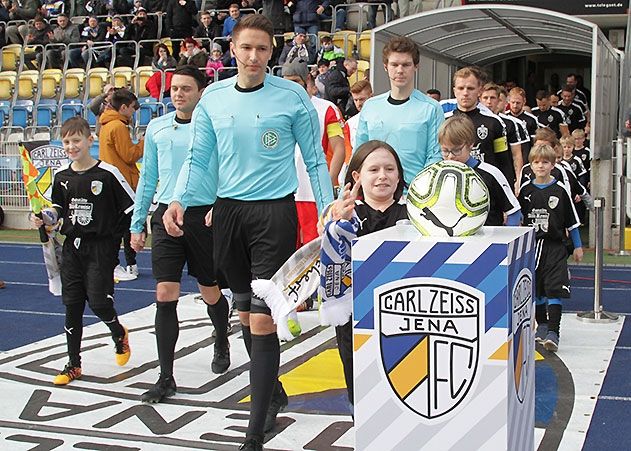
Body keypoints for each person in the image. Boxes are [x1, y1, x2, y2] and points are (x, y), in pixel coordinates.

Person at [162, 15, 334, 451]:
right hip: (227, 215)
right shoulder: (213, 99)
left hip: (275, 215)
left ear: (271, 52)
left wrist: (329, 204)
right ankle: (272, 391)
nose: (254, 56)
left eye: (262, 49)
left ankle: (255, 433)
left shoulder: (292, 96)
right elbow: (199, 159)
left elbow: (315, 159)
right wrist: (180, 199)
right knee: (244, 316)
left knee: (262, 317)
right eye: (246, 48)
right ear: (232, 51)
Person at [131, 66, 231, 403]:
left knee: (210, 291)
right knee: (164, 293)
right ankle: (165, 376)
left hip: (204, 216)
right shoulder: (157, 128)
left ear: (200, 92)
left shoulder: (214, 128)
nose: (178, 94)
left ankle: (221, 335)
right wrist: (136, 223)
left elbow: (227, 170)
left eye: (186, 88)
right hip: (165, 216)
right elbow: (148, 179)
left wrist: (222, 205)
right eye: (174, 88)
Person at [29, 116, 134, 385]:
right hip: (72, 248)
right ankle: (73, 364)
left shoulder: (107, 174)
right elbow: (59, 209)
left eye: (76, 140)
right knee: (72, 304)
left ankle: (118, 332)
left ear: (90, 140)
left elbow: (130, 208)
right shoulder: (62, 176)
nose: (71, 146)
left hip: (101, 248)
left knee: (99, 302)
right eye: (66, 142)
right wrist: (45, 217)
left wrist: (122, 238)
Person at [320, 140, 408, 411]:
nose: (383, 175)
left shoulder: (416, 215)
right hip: (354, 321)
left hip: (403, 319)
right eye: (374, 169)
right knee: (361, 396)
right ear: (357, 176)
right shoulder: (343, 215)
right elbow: (326, 264)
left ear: (399, 175)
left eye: (389, 169)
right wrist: (337, 224)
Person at [518, 143, 583, 352]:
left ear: (553, 165)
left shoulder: (560, 190)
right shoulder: (526, 190)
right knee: (536, 289)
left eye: (545, 162)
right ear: (531, 165)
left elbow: (571, 221)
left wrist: (578, 246)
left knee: (555, 287)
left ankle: (554, 332)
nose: (540, 166)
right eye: (536, 162)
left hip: (555, 247)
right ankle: (542, 325)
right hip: (531, 246)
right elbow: (518, 220)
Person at [356, 36, 443, 186]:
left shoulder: (431, 108)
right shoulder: (370, 106)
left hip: (414, 196)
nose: (400, 70)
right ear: (385, 66)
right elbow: (358, 154)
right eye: (394, 64)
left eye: (406, 65)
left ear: (416, 67)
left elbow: (435, 157)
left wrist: (421, 191)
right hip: (374, 194)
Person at [283, 59, 345, 247]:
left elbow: (339, 149)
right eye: (286, 81)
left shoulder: (326, 109)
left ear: (307, 80)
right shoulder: (276, 108)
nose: (291, 87)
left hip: (312, 193)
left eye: (295, 81)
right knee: (284, 251)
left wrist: (328, 181)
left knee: (313, 249)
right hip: (283, 194)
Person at [438, 115, 521, 226]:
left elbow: (514, 212)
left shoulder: (491, 174)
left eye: (456, 150)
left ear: (470, 145)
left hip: (489, 238)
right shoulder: (437, 175)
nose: (450, 156)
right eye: (445, 151)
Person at [99, 89, 144, 281]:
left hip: (115, 181)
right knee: (122, 227)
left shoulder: (107, 124)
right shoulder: (117, 126)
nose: (134, 112)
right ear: (124, 107)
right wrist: (143, 142)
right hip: (121, 183)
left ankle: (124, 263)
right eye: (132, 108)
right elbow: (129, 155)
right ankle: (117, 263)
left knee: (122, 226)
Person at [445, 67, 514, 185]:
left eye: (470, 88)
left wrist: (507, 188)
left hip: (485, 186)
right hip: (452, 185)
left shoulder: (494, 122)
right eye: (461, 88)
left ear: (479, 91)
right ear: (454, 91)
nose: (465, 93)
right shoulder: (444, 121)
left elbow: (504, 162)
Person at [479, 82, 526, 185]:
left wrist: (518, 180)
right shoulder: (469, 121)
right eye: (485, 98)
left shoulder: (510, 123)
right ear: (480, 99)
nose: (489, 102)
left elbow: (516, 155)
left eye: (492, 98)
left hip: (502, 175)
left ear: (498, 100)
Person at [506, 87, 539, 164]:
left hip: (526, 158)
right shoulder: (503, 118)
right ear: (508, 101)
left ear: (524, 102)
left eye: (518, 103)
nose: (515, 105)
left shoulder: (532, 119)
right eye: (513, 102)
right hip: (508, 158)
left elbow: (535, 143)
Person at [347, 79, 372, 151]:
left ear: (371, 97)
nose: (358, 104)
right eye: (355, 100)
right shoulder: (349, 123)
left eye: (361, 99)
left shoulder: (382, 118)